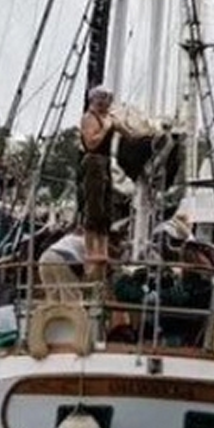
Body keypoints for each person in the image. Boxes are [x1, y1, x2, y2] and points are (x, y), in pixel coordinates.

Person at [80, 85, 120, 285]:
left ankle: (102, 251)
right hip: (94, 160)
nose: (105, 105)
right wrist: (104, 128)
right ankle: (90, 252)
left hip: (105, 162)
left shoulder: (108, 118)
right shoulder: (90, 118)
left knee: (105, 211)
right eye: (102, 101)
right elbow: (91, 143)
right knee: (94, 207)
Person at [38, 230, 87, 303]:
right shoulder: (83, 241)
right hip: (61, 258)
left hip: (44, 257)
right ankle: (71, 314)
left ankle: (55, 313)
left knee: (54, 298)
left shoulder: (67, 238)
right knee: (71, 297)